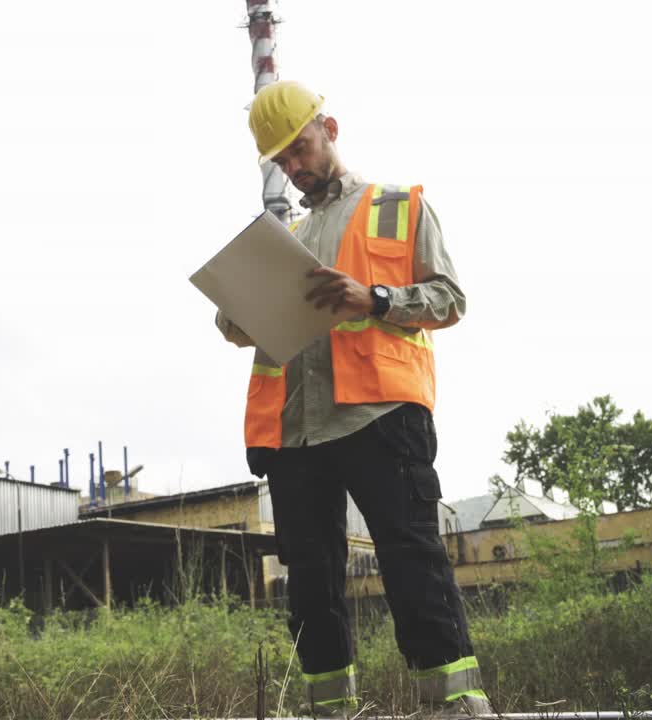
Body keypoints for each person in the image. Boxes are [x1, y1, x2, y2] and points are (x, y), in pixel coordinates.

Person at [217, 80, 493, 717]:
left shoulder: (396, 206)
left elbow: (450, 299)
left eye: (301, 149)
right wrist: (235, 312)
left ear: (330, 129)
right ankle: (328, 708)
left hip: (380, 414)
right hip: (296, 431)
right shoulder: (285, 233)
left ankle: (452, 703)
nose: (294, 168)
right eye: (281, 162)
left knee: (409, 555)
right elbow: (246, 328)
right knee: (310, 580)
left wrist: (374, 300)